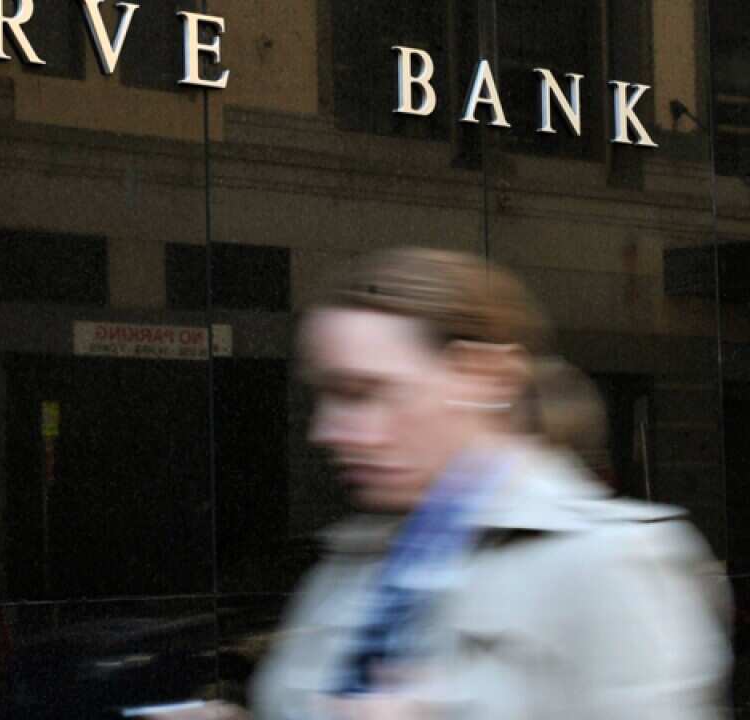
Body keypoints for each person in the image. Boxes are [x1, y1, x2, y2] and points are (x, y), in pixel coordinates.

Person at [150, 248, 729, 719]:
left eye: (363, 393)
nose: (327, 430)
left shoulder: (611, 561)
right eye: (322, 395)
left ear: (482, 375)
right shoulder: (352, 557)